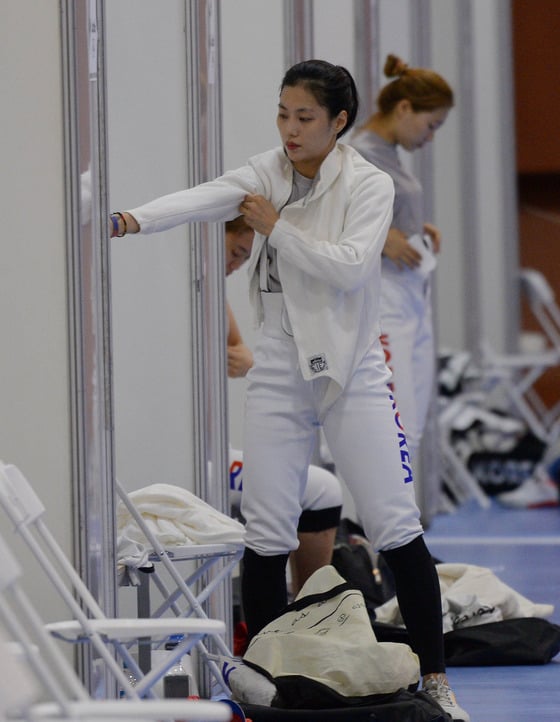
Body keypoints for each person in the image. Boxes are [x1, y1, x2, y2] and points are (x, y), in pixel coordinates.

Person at [109, 59, 469, 720]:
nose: (290, 128)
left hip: (353, 375)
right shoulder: (266, 169)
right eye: (283, 113)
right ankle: (269, 690)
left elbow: (352, 268)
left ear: (338, 122)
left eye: (304, 117)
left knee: (395, 522)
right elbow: (205, 195)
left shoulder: (367, 183)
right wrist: (131, 219)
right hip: (280, 371)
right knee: (268, 532)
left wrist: (278, 227)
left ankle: (437, 680)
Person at [223, 217, 343, 596]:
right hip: (188, 463)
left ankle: (304, 610)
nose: (236, 265)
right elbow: (241, 355)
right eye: (236, 253)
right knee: (321, 489)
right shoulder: (188, 291)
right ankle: (305, 612)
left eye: (245, 260)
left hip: (205, 454)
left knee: (304, 485)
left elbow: (237, 350)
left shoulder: (207, 293)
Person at [349, 54, 454, 463]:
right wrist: (379, 240)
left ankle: (389, 523)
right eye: (432, 125)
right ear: (405, 108)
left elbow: (382, 209)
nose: (431, 137)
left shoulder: (388, 153)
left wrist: (415, 228)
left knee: (412, 422)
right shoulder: (356, 153)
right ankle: (363, 521)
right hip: (384, 298)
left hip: (412, 295)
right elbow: (325, 223)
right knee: (393, 420)